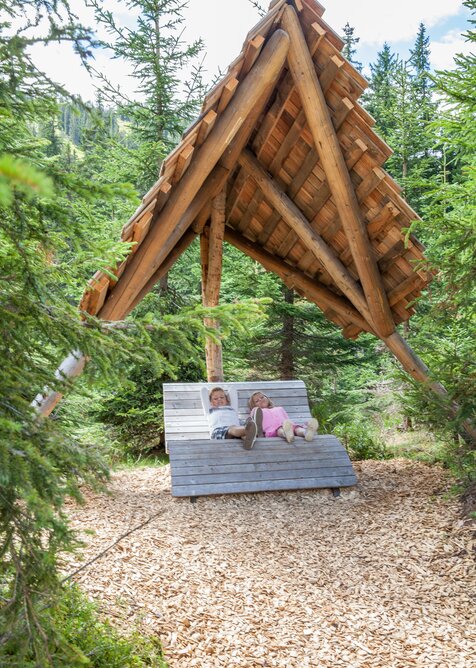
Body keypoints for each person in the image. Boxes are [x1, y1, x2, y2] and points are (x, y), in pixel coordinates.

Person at [248, 391, 318, 443]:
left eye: (262, 397)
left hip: (287, 426)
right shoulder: (256, 410)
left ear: (267, 398)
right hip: (272, 429)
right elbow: (253, 421)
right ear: (254, 406)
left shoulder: (279, 408)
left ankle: (306, 433)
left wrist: (290, 425)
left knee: (297, 428)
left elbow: (287, 419)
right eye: (257, 401)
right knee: (280, 430)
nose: (260, 399)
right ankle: (286, 435)